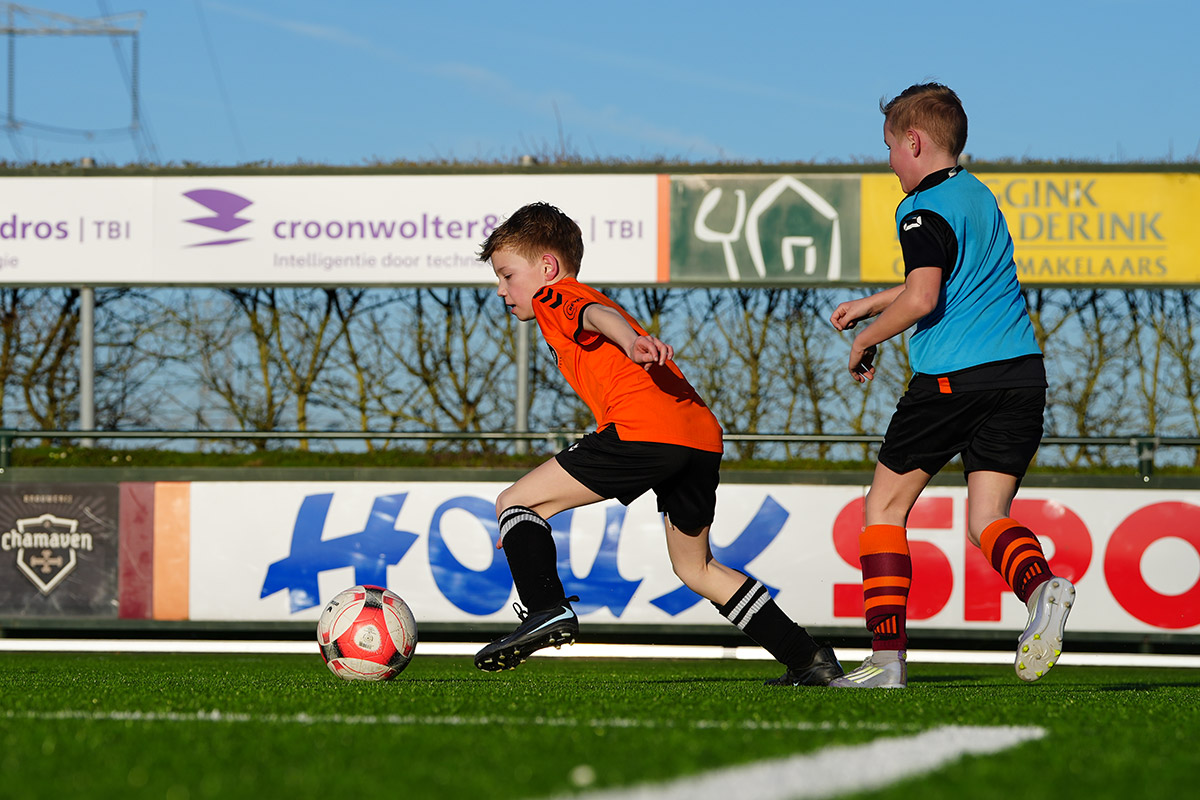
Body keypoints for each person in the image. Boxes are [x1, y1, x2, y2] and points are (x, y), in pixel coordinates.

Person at [475, 201, 843, 686]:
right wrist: (631, 339)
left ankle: (546, 610)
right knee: (697, 568)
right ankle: (809, 659)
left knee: (515, 502)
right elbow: (601, 314)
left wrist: (631, 341)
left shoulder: (554, 295)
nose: (501, 290)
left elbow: (595, 315)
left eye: (506, 276)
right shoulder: (572, 296)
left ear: (546, 267)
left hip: (644, 431)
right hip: (699, 435)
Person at [828, 83, 1075, 689]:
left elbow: (923, 296)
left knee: (884, 508)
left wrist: (866, 339)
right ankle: (1041, 589)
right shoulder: (978, 195)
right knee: (987, 518)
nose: (890, 161)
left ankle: (887, 660)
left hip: (951, 381)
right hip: (1021, 378)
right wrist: (872, 303)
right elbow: (947, 278)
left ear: (913, 142)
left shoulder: (918, 209)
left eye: (890, 147)